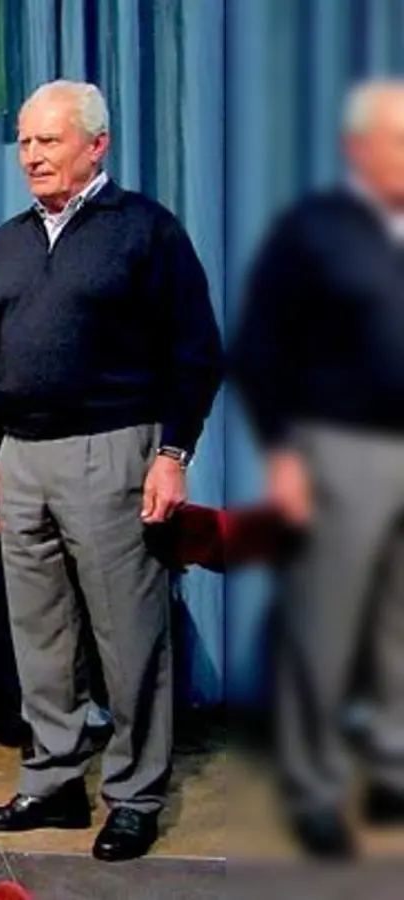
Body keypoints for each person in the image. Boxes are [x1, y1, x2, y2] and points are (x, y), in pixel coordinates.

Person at [0, 80, 224, 861]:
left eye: (50, 141)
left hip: (115, 451)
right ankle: (53, 782)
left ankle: (135, 795)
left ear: (96, 145)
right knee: (39, 637)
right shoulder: (7, 240)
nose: (32, 155)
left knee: (128, 634)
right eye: (26, 143)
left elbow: (195, 349)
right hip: (19, 460)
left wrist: (172, 454)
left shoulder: (144, 229)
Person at [231, 78, 404, 859]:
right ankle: (313, 788)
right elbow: (262, 345)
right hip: (342, 451)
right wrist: (284, 453)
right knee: (327, 628)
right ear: (359, 148)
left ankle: (396, 767)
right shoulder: (314, 231)